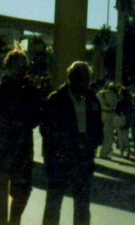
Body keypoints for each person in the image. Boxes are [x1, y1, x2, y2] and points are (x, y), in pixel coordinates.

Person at [0, 49, 42, 225]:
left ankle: (14, 221)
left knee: (22, 193)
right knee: (0, 204)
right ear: (8, 67)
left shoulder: (31, 91)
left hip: (21, 149)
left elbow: (37, 117)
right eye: (17, 67)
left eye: (23, 67)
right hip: (0, 148)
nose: (20, 71)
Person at [41, 60, 103, 225]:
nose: (85, 84)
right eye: (81, 79)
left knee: (82, 207)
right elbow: (46, 130)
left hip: (83, 160)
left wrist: (92, 143)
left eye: (87, 80)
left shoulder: (92, 100)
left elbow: (99, 129)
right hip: (60, 160)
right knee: (54, 204)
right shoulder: (56, 99)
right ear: (71, 79)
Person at [96, 81, 119, 159]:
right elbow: (115, 106)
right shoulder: (115, 96)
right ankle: (103, 153)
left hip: (99, 114)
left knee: (97, 132)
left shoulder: (100, 93)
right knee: (107, 135)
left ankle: (94, 151)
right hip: (109, 115)